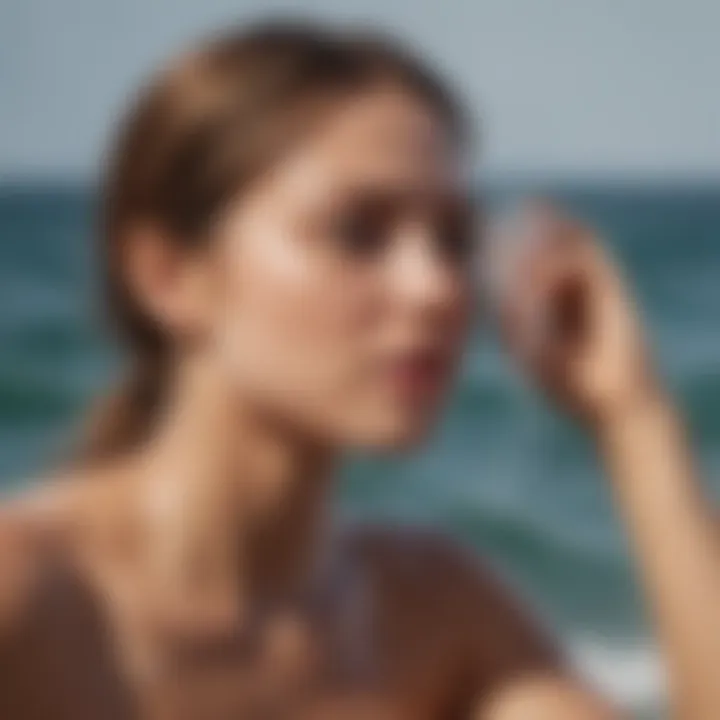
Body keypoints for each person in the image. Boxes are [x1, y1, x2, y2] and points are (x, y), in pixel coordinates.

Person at [0, 22, 718, 720]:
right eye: (357, 232)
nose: (435, 285)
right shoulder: (32, 601)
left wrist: (636, 416)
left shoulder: (433, 616)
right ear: (168, 275)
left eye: (453, 237)